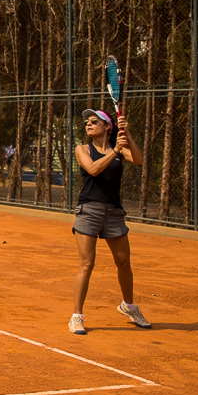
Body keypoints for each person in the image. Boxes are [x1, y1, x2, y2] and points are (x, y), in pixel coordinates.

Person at [69, 108, 149, 335]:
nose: (88, 124)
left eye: (94, 121)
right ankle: (76, 316)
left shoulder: (120, 150)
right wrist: (115, 150)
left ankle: (129, 307)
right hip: (89, 210)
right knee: (87, 264)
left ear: (107, 127)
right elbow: (93, 169)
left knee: (124, 263)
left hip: (114, 212)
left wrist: (127, 134)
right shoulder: (82, 149)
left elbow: (139, 160)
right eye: (87, 121)